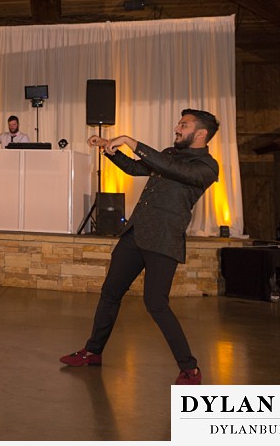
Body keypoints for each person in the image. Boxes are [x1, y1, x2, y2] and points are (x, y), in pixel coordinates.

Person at [60, 108, 220, 385]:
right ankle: (93, 351)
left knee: (156, 304)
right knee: (110, 293)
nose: (177, 128)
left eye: (183, 124)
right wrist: (110, 151)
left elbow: (170, 169)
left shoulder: (206, 166)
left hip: (163, 239)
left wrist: (132, 142)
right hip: (134, 234)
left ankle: (190, 369)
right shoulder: (169, 153)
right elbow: (137, 168)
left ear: (201, 133)